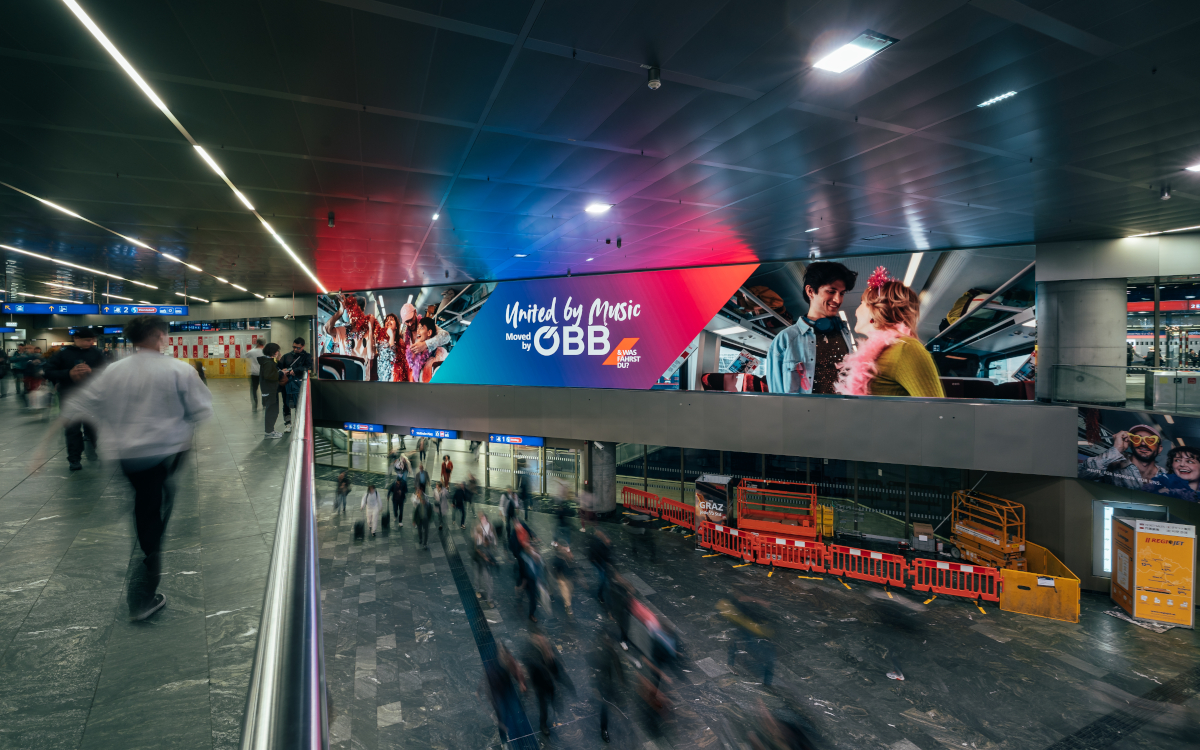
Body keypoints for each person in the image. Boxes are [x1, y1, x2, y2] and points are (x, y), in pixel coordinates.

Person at [47, 315, 212, 621]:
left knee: (144, 509)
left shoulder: (114, 370)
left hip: (126, 457)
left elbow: (83, 405)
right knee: (152, 520)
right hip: (164, 454)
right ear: (160, 335)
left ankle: (143, 581)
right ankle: (142, 598)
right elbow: (202, 409)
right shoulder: (178, 369)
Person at [834, 267, 945, 398]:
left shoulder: (906, 348)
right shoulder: (880, 353)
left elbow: (936, 411)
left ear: (874, 310)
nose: (856, 310)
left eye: (861, 303)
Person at [766, 261, 858, 395]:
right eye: (831, 291)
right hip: (803, 414)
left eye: (842, 293)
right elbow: (776, 396)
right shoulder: (786, 339)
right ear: (810, 291)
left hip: (841, 413)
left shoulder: (844, 333)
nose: (838, 300)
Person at [44, 326, 107, 471]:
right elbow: (48, 372)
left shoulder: (96, 353)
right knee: (72, 428)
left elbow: (107, 371)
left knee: (92, 427)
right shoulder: (62, 354)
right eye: (87, 340)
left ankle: (97, 451)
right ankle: (74, 459)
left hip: (92, 396)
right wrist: (68, 373)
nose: (90, 343)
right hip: (69, 395)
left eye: (92, 340)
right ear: (76, 339)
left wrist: (92, 371)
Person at [1080, 424, 1167, 490]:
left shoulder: (1167, 477)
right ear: (1130, 443)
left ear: (1159, 449)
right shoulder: (1112, 467)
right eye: (1137, 439)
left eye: (1151, 440)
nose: (1143, 443)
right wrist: (1117, 449)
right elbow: (1081, 474)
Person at [524, 633, 575, 737]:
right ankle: (543, 725)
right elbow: (534, 667)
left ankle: (559, 711)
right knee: (543, 706)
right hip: (541, 683)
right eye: (538, 639)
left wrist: (559, 663)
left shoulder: (546, 644)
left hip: (552, 677)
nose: (542, 640)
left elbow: (556, 656)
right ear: (533, 639)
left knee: (554, 698)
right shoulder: (530, 652)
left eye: (542, 638)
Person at [591, 630, 626, 744]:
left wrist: (621, 679)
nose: (611, 643)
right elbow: (593, 672)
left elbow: (616, 663)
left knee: (615, 701)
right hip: (601, 684)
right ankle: (604, 729)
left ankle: (621, 718)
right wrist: (596, 689)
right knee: (604, 707)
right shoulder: (597, 652)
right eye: (609, 641)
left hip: (609, 681)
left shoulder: (609, 650)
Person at [280, 337, 312, 432]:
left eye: (298, 348)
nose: (295, 349)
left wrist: (297, 370)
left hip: (301, 383)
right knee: (286, 403)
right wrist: (283, 371)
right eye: (294, 347)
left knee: (300, 404)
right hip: (287, 383)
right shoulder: (286, 356)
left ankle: (300, 423)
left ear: (303, 346)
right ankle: (288, 424)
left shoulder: (307, 356)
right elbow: (280, 367)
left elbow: (309, 367)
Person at [258, 342, 288, 438]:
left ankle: (271, 430)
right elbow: (268, 376)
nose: (278, 352)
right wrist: (281, 374)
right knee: (272, 411)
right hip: (269, 390)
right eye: (277, 351)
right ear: (274, 352)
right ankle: (269, 432)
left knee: (273, 410)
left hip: (271, 390)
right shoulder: (267, 363)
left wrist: (279, 370)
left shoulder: (268, 361)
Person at [473, 513, 497, 606]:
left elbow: (493, 536)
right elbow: (477, 549)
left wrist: (491, 561)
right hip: (479, 562)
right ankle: (477, 590)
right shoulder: (479, 541)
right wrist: (485, 557)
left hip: (485, 565)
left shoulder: (489, 528)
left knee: (488, 581)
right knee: (478, 577)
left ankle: (489, 600)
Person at [243, 339, 264, 412]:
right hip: (263, 372)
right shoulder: (265, 351)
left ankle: (255, 404)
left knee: (254, 389)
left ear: (257, 343)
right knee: (264, 389)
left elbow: (246, 355)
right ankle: (264, 404)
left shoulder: (252, 351)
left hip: (254, 373)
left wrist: (254, 348)